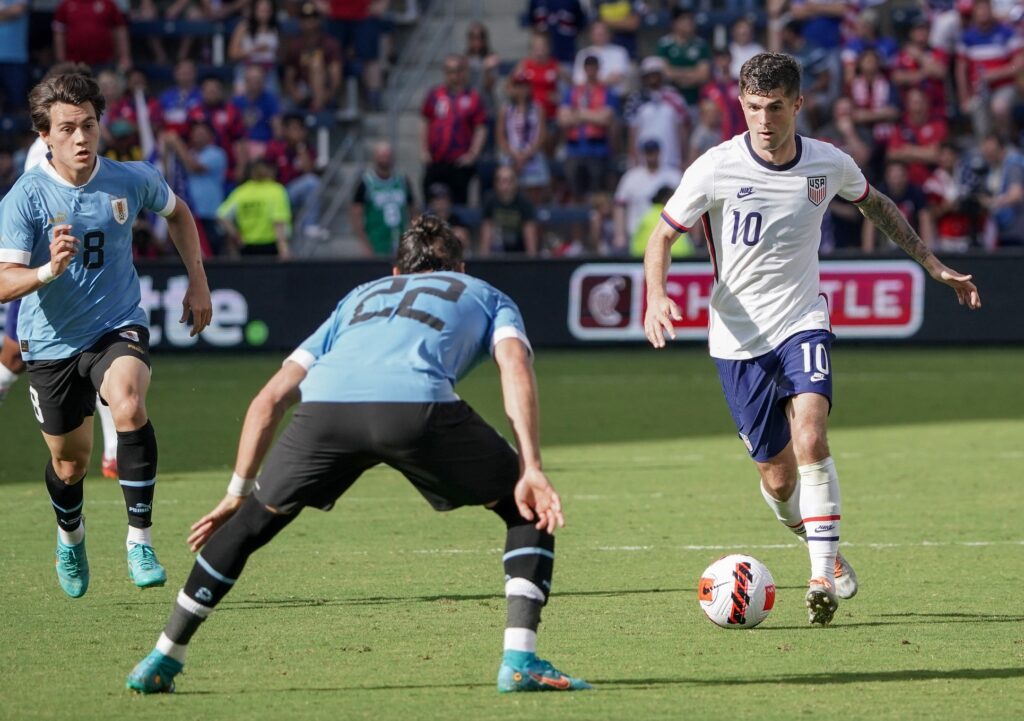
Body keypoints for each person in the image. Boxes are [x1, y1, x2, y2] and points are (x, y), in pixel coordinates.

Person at [125, 214, 590, 694]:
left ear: (395, 273)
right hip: (416, 409)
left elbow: (270, 399)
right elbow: (513, 364)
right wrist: (531, 467)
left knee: (247, 527)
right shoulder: (484, 293)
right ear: (461, 267)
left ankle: (163, 655)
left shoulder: (359, 297)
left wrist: (236, 494)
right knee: (525, 505)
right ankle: (520, 661)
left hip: (325, 414)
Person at [643, 52, 981, 626]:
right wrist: (656, 295)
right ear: (741, 105)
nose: (764, 120)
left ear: (797, 104)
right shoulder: (715, 167)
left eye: (775, 107)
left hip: (803, 319)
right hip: (736, 338)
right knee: (777, 480)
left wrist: (931, 263)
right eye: (752, 108)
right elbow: (661, 238)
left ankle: (821, 573)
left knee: (812, 436)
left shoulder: (827, 163)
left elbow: (875, 203)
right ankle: (817, 545)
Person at [0, 71, 213, 599]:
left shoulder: (131, 177)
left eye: (88, 125)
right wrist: (48, 271)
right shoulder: (24, 198)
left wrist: (199, 282)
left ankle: (139, 539)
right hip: (49, 345)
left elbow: (179, 214)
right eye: (67, 128)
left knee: (129, 403)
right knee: (69, 464)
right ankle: (69, 537)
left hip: (117, 324)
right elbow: (4, 282)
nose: (80, 137)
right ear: (44, 135)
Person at [217, 157, 292, 258]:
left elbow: (221, 216)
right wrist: (284, 250)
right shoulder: (276, 190)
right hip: (270, 247)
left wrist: (236, 235)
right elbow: (278, 221)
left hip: (247, 247)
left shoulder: (241, 191)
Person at [350, 141, 414, 257]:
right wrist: (365, 244)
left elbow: (413, 210)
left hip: (400, 239)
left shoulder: (403, 180)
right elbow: (356, 215)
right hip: (376, 240)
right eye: (381, 155)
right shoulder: (366, 182)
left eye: (387, 155)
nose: (384, 159)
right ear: (375, 157)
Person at [480, 165, 539, 256]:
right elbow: (487, 230)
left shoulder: (524, 202)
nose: (505, 185)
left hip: (520, 255)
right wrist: (484, 258)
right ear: (495, 183)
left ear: (515, 183)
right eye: (501, 181)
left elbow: (529, 233)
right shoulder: (490, 200)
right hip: (496, 253)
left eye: (508, 181)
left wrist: (531, 261)